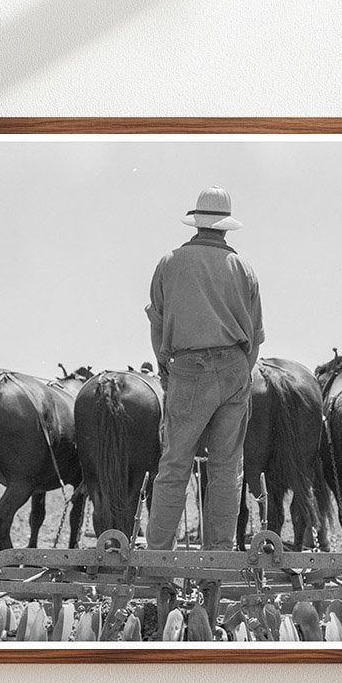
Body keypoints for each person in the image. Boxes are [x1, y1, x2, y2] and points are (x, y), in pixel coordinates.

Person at [144, 186, 264, 556]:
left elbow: (157, 324)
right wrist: (242, 374)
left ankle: (159, 555)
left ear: (196, 222)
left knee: (175, 466)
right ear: (226, 227)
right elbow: (256, 337)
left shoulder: (169, 262)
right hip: (234, 369)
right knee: (227, 470)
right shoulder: (244, 268)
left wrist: (166, 370)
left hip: (188, 369)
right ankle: (219, 555)